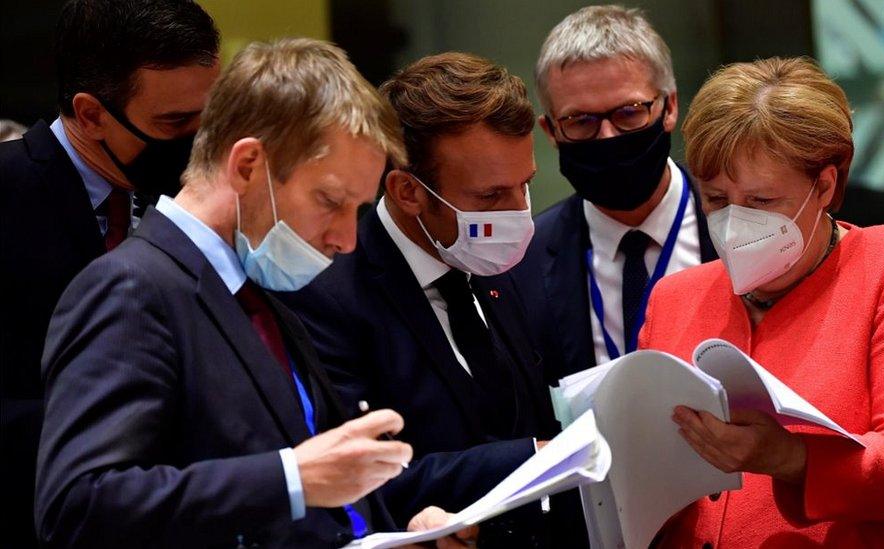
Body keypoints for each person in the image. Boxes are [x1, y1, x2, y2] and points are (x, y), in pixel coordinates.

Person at [34, 38, 484, 549]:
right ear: (248, 165)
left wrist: (396, 531)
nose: (346, 239)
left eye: (356, 209)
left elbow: (308, 495)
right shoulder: (130, 288)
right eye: (330, 201)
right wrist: (291, 478)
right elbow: (78, 506)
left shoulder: (261, 293)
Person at [639, 56, 884, 547]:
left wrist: (789, 458)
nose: (734, 223)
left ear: (825, 185)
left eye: (761, 202)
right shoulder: (675, 296)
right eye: (715, 199)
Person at [277, 52, 567, 546]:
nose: (520, 213)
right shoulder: (324, 295)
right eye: (491, 197)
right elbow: (355, 478)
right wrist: (540, 456)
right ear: (408, 191)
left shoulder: (495, 261)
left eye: (526, 185)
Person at [0, 1, 220, 545]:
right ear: (92, 113)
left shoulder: (205, 202)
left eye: (209, 118)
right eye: (174, 123)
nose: (199, 142)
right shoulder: (8, 196)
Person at [512, 5, 717, 383]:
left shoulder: (736, 229)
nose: (607, 137)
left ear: (669, 106)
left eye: (629, 113)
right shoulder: (521, 262)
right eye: (580, 121)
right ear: (550, 131)